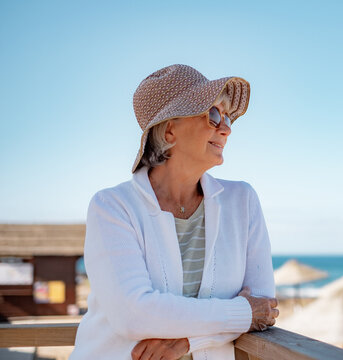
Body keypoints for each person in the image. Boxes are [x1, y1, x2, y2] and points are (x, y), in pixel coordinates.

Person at [70, 64, 279, 360]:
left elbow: (264, 305)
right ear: (170, 130)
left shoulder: (242, 200)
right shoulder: (112, 207)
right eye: (214, 114)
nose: (227, 128)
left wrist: (186, 341)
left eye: (228, 116)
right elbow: (134, 314)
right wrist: (241, 312)